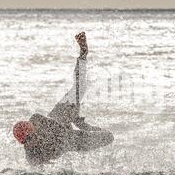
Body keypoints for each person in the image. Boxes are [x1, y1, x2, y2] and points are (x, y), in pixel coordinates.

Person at [13, 32, 114, 165]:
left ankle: (83, 54)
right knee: (108, 136)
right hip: (71, 140)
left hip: (59, 120)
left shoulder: (36, 119)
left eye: (33, 133)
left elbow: (59, 127)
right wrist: (85, 127)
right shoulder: (33, 156)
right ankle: (85, 126)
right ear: (24, 142)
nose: (34, 138)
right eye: (30, 139)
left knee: (80, 87)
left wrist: (72, 119)